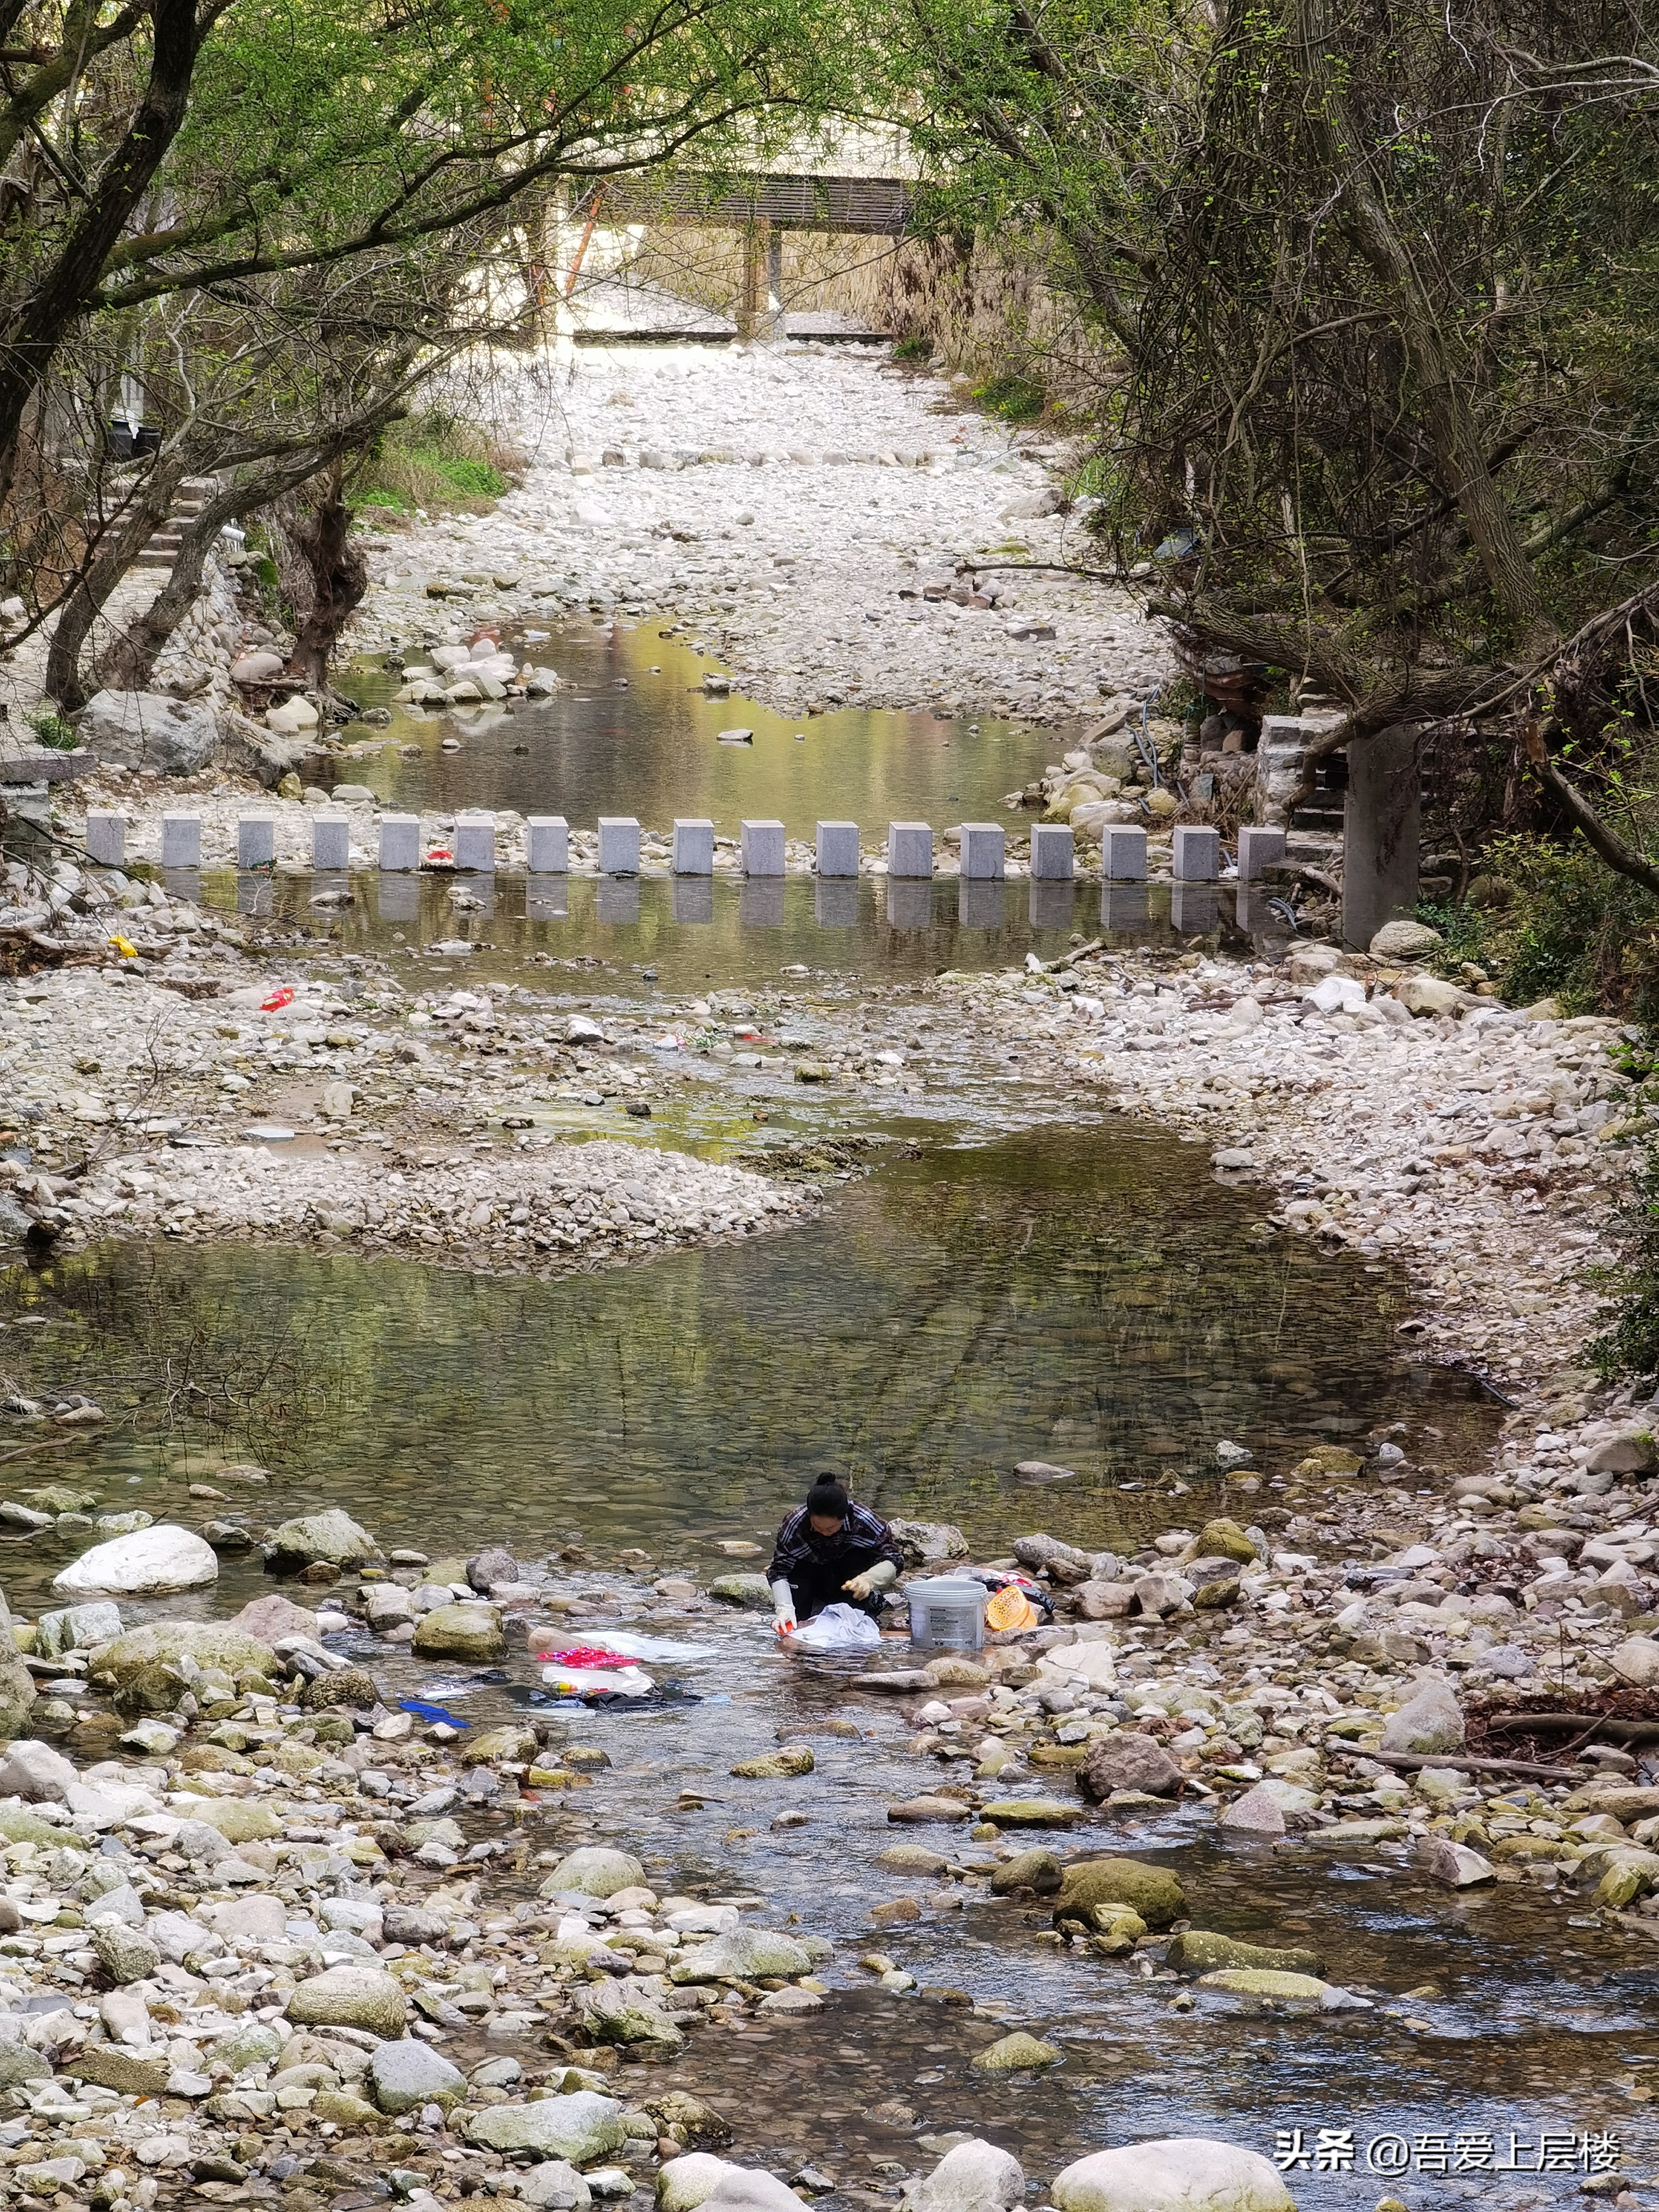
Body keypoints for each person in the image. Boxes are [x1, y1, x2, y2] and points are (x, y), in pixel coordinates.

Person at [768, 1475, 902, 1634]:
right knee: (798, 1623)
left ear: (844, 1516)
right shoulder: (793, 1525)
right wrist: (784, 1608)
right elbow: (778, 1571)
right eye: (818, 1526)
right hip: (809, 1572)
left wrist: (869, 1579)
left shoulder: (864, 1521)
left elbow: (895, 1557)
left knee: (855, 1621)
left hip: (849, 1575)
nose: (824, 1533)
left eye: (831, 1528)